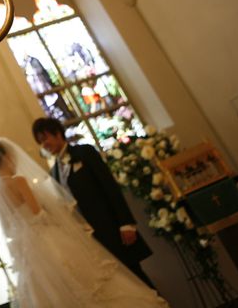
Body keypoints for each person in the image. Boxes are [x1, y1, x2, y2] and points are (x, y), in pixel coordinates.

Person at [0, 136, 167, 307]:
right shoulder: (19, 181)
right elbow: (39, 215)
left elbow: (8, 230)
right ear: (6, 156)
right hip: (49, 240)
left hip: (30, 253)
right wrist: (56, 210)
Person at [31, 117, 155, 287]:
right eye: (40, 142)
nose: (44, 144)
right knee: (120, 285)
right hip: (90, 240)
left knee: (138, 280)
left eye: (45, 138)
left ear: (57, 133)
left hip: (111, 229)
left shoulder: (84, 152)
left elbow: (109, 186)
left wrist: (126, 223)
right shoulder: (54, 173)